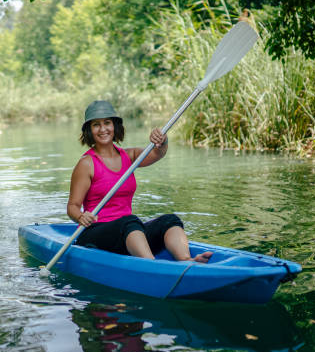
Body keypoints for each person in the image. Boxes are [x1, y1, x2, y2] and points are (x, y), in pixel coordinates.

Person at [67, 100, 212, 262]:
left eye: (107, 123)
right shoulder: (86, 164)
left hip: (128, 232)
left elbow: (158, 153)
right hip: (94, 233)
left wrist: (162, 141)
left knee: (170, 220)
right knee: (130, 222)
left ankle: (186, 260)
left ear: (115, 126)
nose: (103, 129)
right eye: (96, 125)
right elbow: (72, 207)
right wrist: (80, 217)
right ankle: (151, 265)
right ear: (89, 130)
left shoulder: (130, 156)